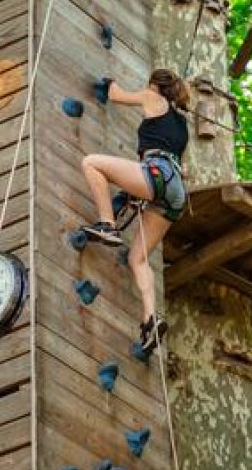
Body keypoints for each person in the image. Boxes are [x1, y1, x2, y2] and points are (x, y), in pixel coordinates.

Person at [79, 69, 190, 356]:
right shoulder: (182, 125)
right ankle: (150, 319)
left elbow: (117, 95)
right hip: (174, 190)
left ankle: (107, 225)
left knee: (92, 163)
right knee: (137, 258)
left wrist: (107, 81)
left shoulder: (151, 96)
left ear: (155, 85)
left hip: (156, 174)